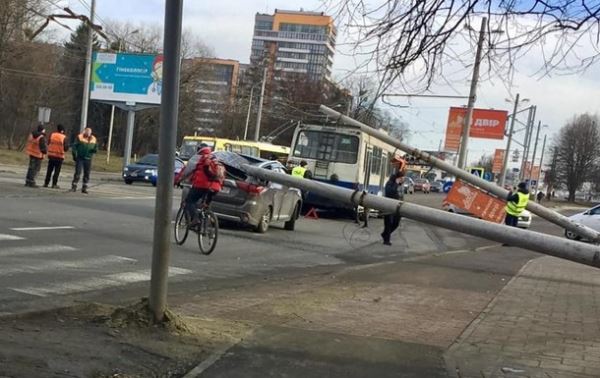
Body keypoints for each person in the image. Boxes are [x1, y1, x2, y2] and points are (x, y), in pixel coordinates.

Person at [177, 147, 223, 226]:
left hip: (201, 185)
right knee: (206, 205)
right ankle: (205, 226)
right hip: (216, 187)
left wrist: (177, 180)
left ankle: (195, 218)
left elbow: (186, 171)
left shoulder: (198, 158)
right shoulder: (216, 159)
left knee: (190, 201)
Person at [381, 170, 405, 246]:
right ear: (397, 178)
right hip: (388, 205)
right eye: (401, 178)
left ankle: (385, 234)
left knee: (396, 223)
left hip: (398, 207)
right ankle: (386, 240)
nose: (402, 180)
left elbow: (401, 195)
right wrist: (396, 184)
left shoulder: (400, 185)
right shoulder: (390, 183)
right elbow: (390, 192)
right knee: (388, 223)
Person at [70, 127, 97, 194]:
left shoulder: (93, 139)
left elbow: (96, 147)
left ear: (91, 133)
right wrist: (74, 155)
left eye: (89, 132)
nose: (87, 134)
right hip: (80, 158)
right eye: (86, 132)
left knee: (87, 173)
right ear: (84, 132)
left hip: (88, 158)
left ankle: (84, 187)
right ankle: (74, 186)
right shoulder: (80, 137)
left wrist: (94, 151)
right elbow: (74, 146)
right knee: (78, 172)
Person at [44, 124, 68, 189]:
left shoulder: (52, 135)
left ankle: (46, 183)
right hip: (59, 156)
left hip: (51, 155)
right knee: (56, 171)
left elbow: (48, 143)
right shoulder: (63, 137)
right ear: (62, 131)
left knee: (49, 170)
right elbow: (66, 148)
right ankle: (54, 184)